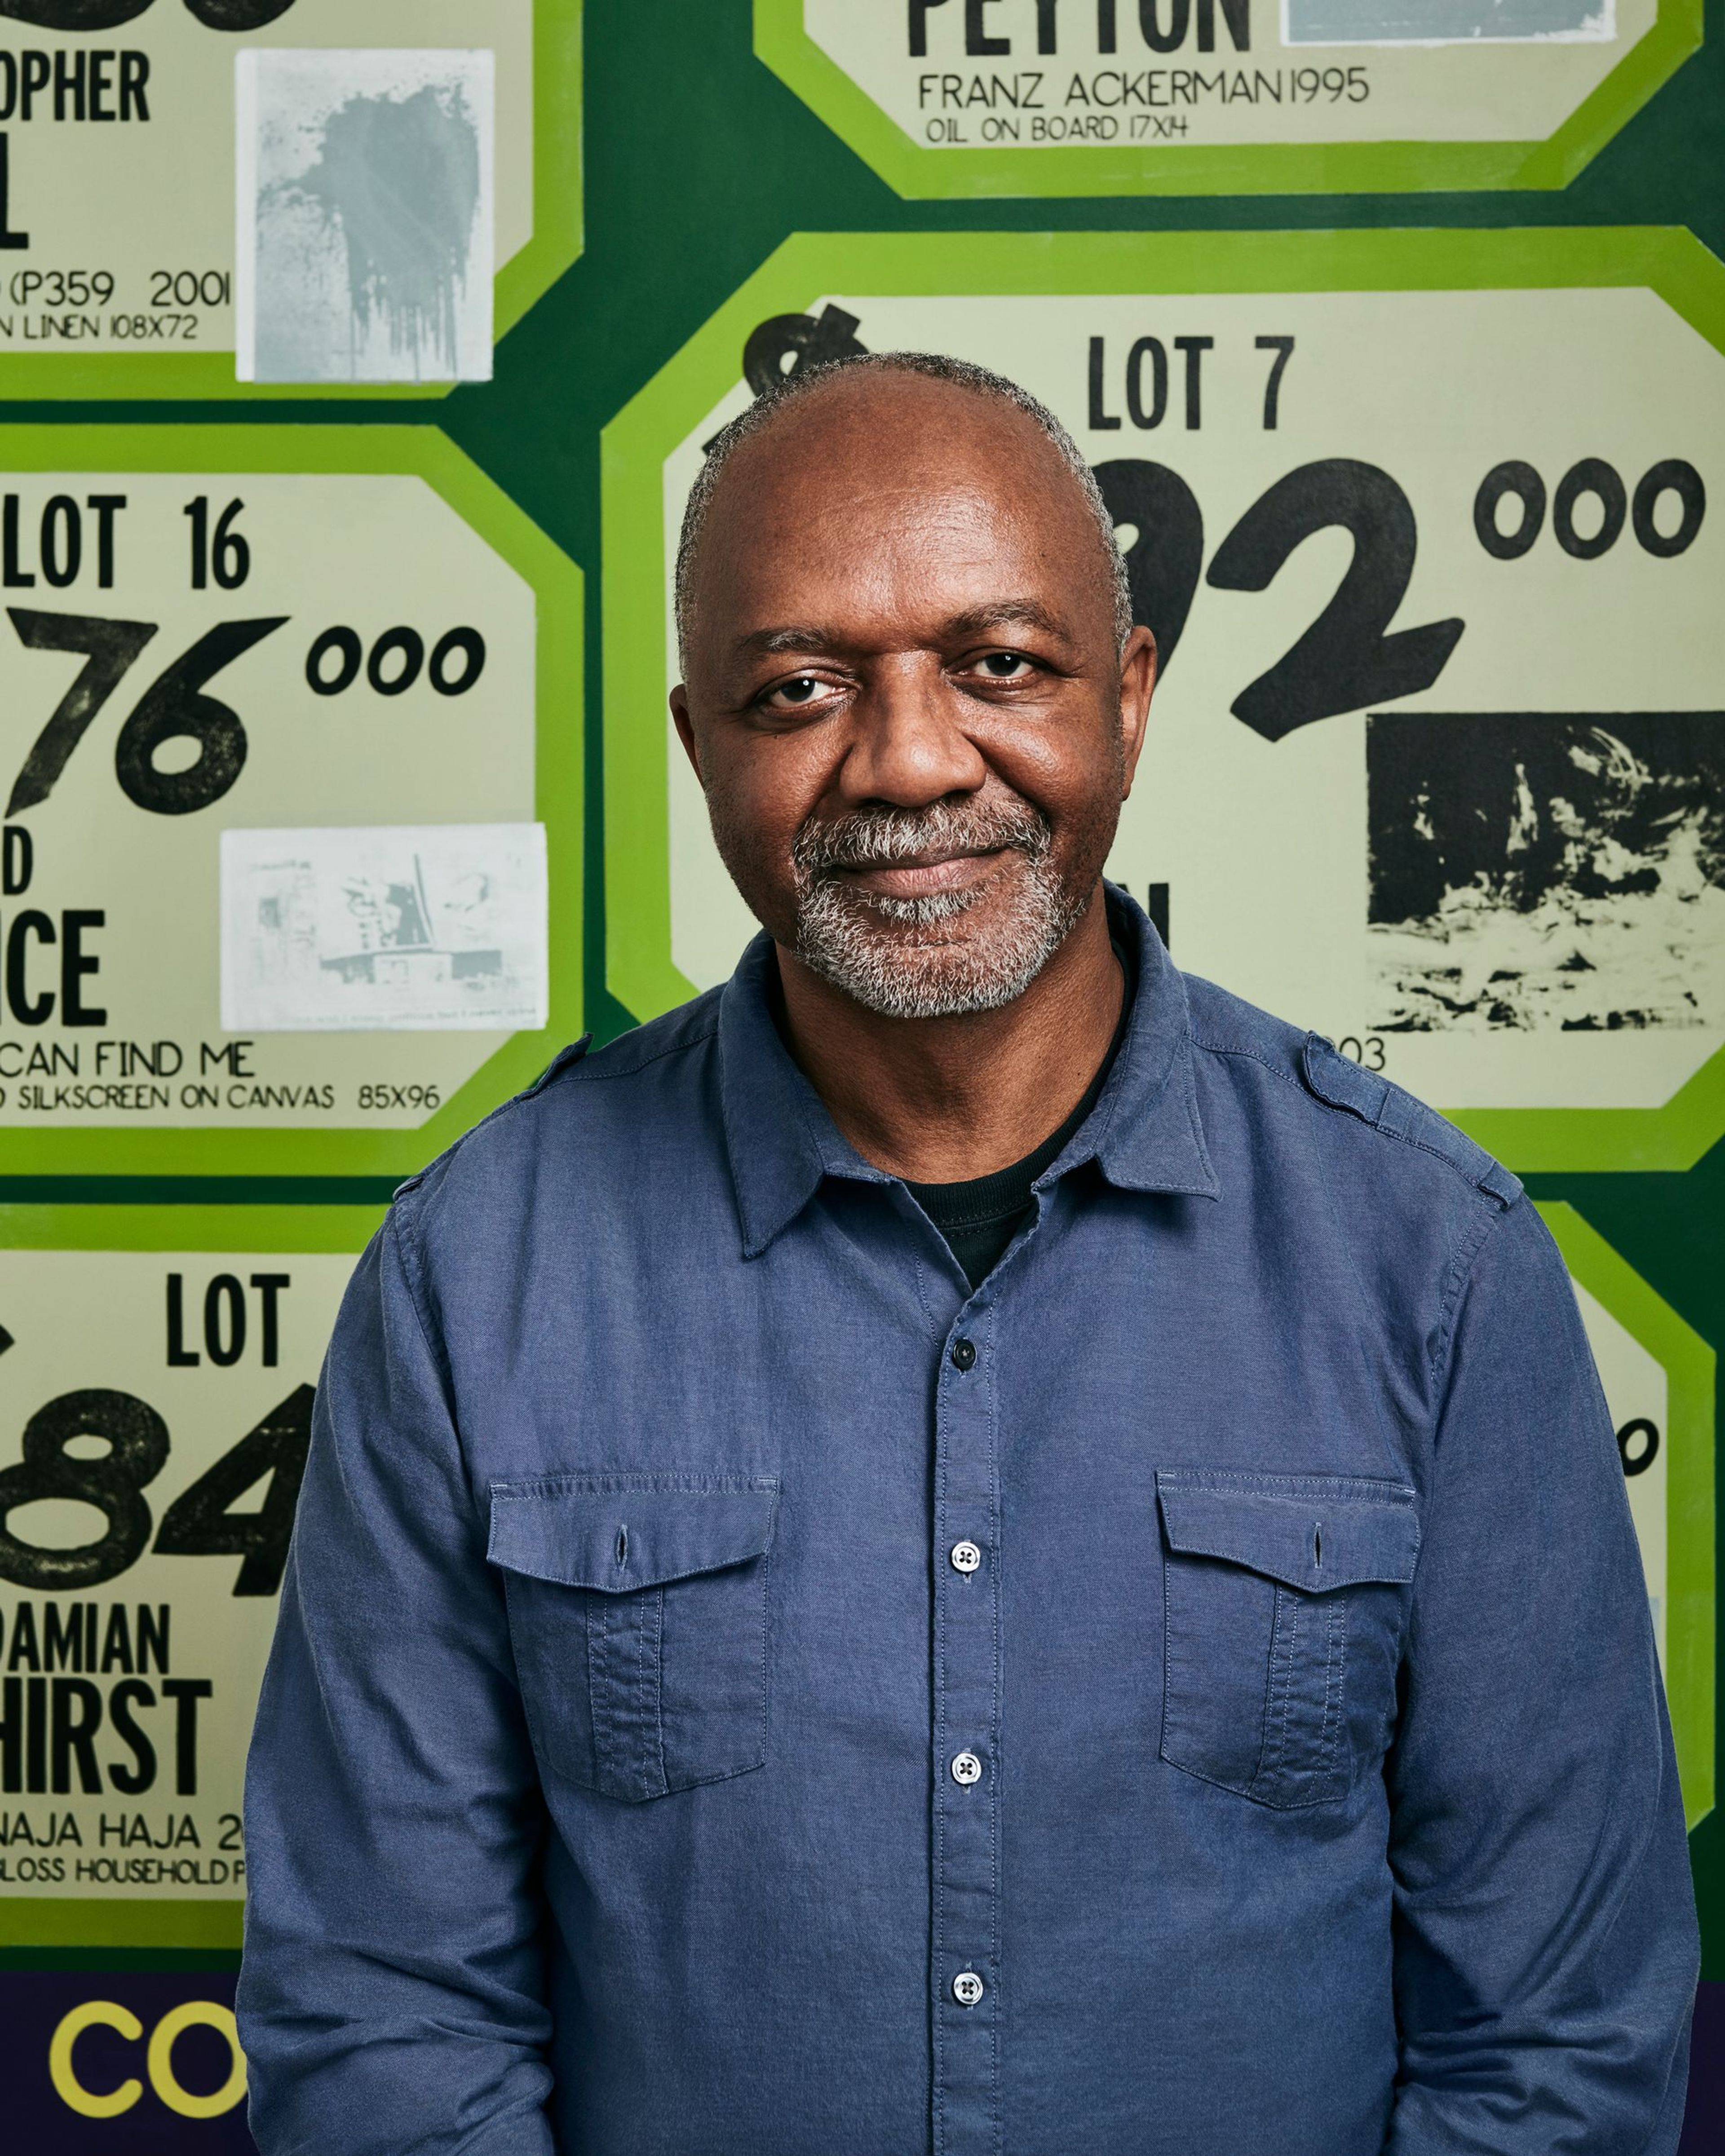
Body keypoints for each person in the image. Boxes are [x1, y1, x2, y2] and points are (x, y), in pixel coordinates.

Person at [237, 353, 1699, 2155]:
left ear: (1133, 697)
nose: (914, 759)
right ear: (701, 745)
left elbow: (1556, 2047)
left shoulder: (1437, 1263)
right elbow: (385, 2021)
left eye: (1002, 665)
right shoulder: (478, 1276)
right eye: (801, 687)